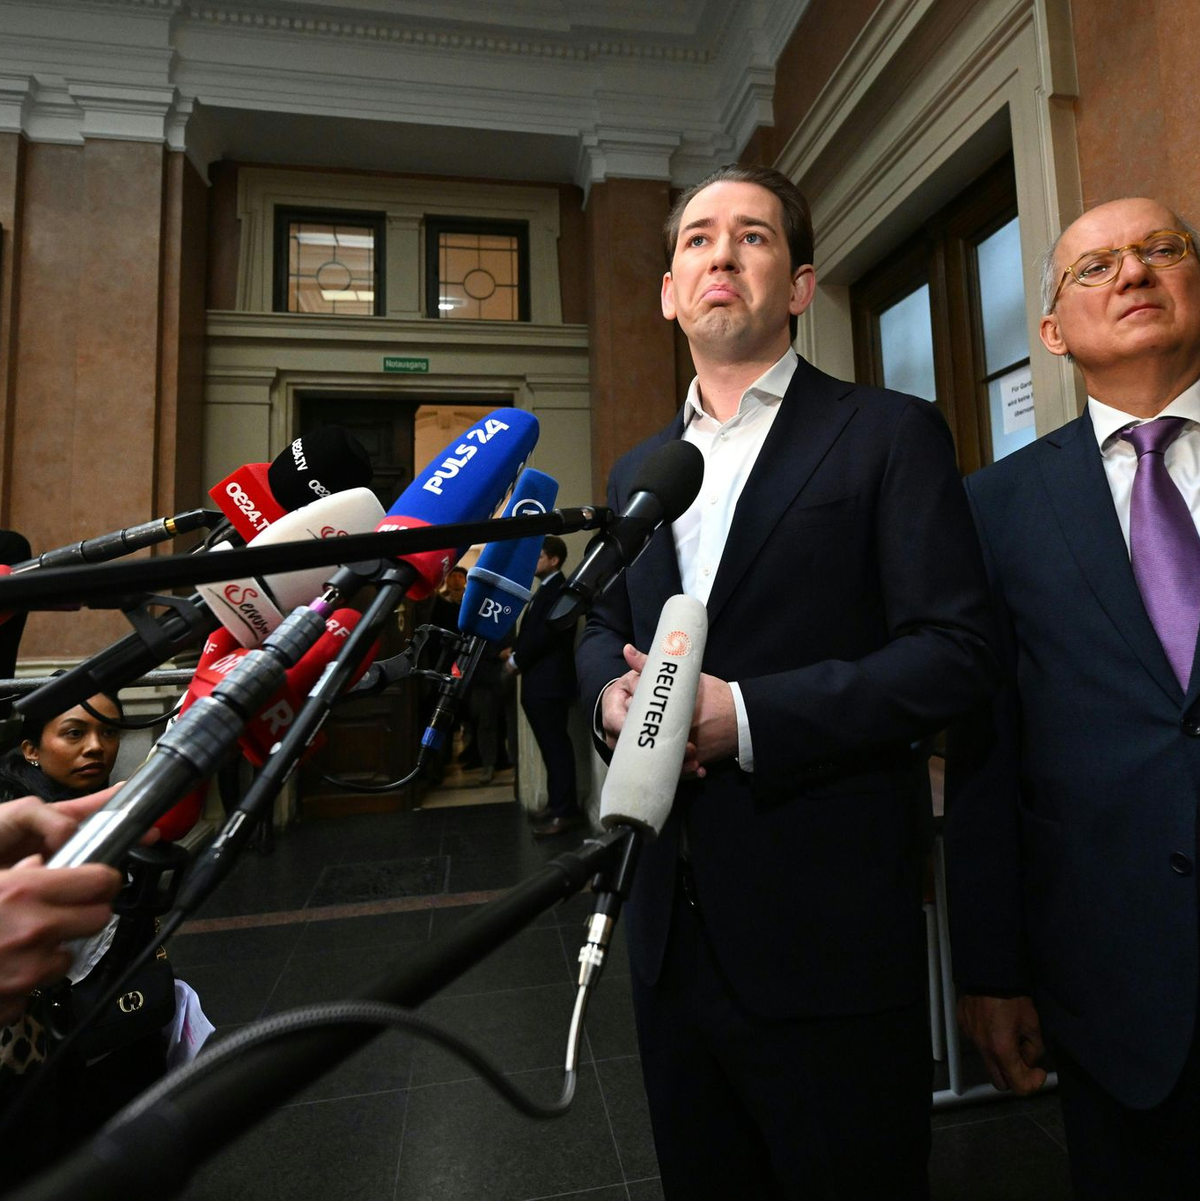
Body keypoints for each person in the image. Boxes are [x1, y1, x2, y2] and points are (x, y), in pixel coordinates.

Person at [576, 163, 997, 1200]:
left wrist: (748, 716)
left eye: (754, 237)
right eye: (698, 241)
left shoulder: (887, 434)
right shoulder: (640, 470)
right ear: (670, 292)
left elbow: (956, 651)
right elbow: (596, 621)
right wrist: (605, 700)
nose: (723, 254)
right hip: (668, 940)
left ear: (801, 287)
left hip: (830, 936)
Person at [945, 198, 1200, 1199]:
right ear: (1050, 332)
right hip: (1114, 984)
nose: (1133, 272)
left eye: (1161, 250)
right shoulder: (993, 508)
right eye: (1095, 266)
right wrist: (992, 968)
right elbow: (986, 748)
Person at [508, 536, 582, 835]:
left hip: (549, 683)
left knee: (556, 748)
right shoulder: (547, 589)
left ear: (554, 559)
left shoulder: (560, 589)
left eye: (539, 556)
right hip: (541, 682)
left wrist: (516, 659)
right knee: (552, 749)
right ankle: (556, 805)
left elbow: (547, 633)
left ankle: (565, 812)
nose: (533, 561)